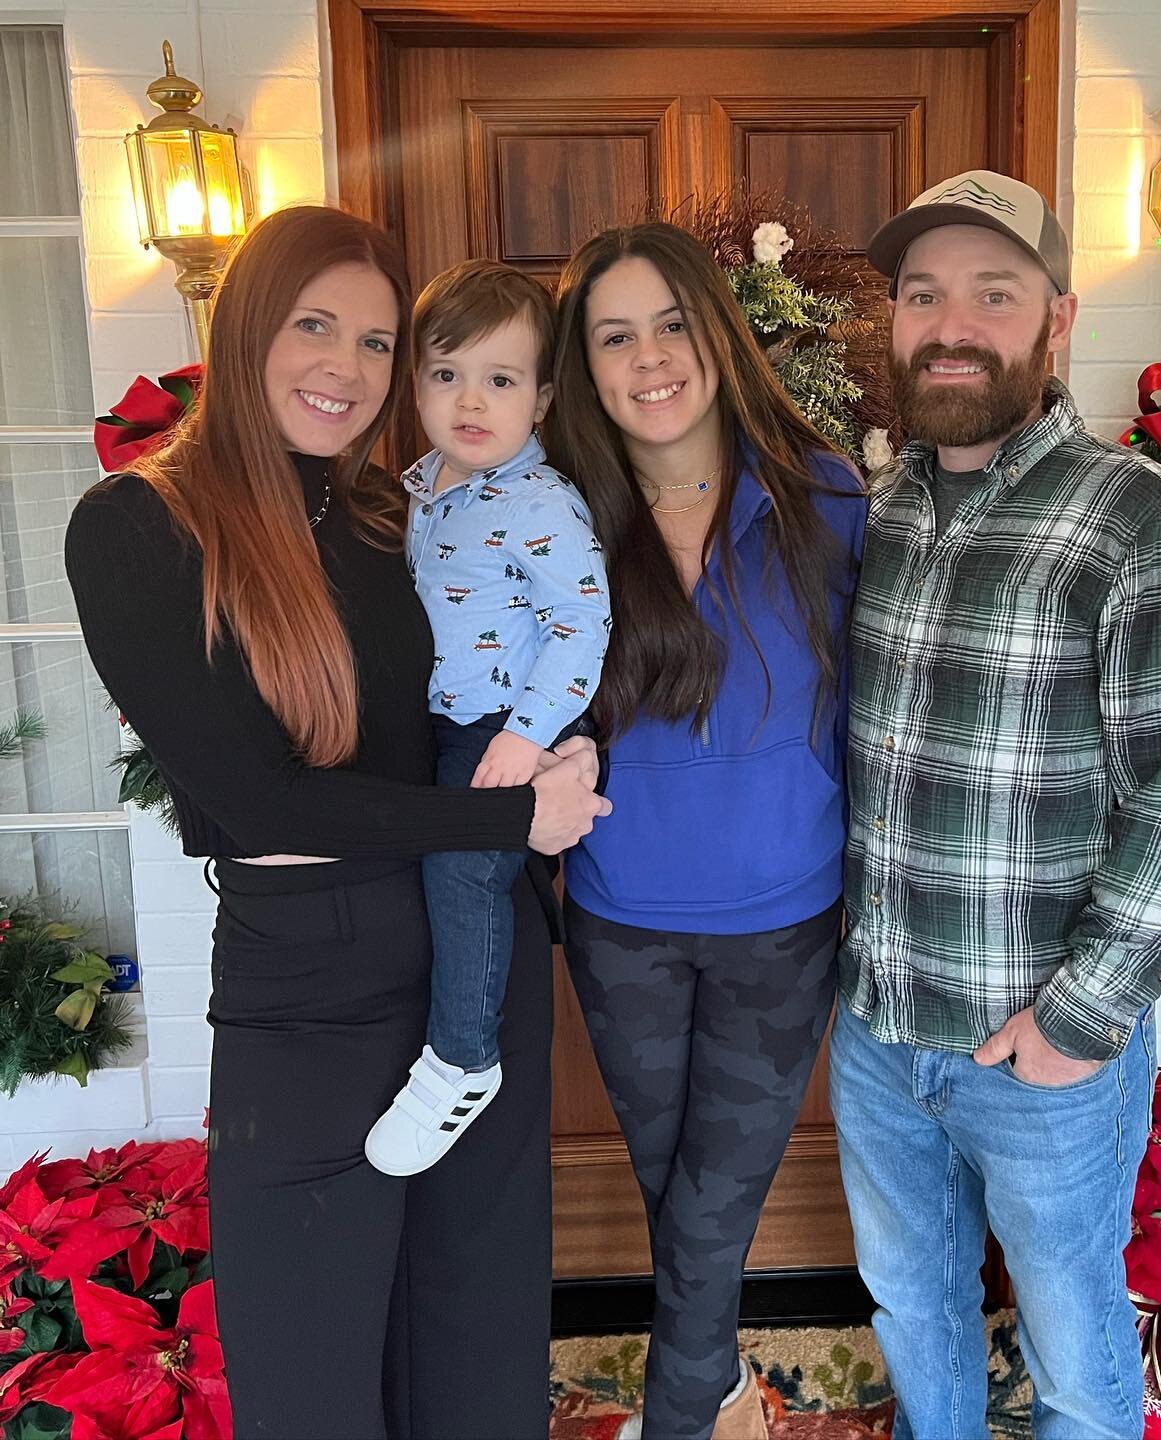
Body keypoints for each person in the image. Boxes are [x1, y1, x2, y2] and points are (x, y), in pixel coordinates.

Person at [64, 205, 608, 1440]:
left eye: (375, 344)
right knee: (307, 1365)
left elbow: (496, 677)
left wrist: (540, 773)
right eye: (316, 326)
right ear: (248, 322)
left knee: (477, 1332)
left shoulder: (385, 521)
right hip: (306, 971)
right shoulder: (140, 527)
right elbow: (256, 798)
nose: (347, 369)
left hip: (472, 950)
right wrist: (512, 819)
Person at [830, 170, 1161, 1440]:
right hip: (881, 1029)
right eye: (923, 294)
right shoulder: (880, 508)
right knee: (915, 1311)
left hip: (1041, 1048)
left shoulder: (1149, 523)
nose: (951, 324)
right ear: (894, 322)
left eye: (992, 294)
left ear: (1057, 324)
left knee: (1072, 1347)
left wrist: (1078, 1023)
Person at [546, 221, 866, 1440]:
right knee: (674, 1188)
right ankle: (725, 1384)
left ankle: (681, 1417)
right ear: (586, 364)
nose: (651, 357)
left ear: (719, 335)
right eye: (615, 335)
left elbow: (881, 698)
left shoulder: (823, 495)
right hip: (622, 921)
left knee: (714, 1203)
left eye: (672, 323)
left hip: (783, 925)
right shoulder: (555, 518)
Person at [366, 259, 609, 1176]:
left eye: (500, 380)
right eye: (445, 374)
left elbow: (583, 625)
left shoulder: (541, 503)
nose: (471, 400)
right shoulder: (418, 483)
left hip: (499, 726)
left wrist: (524, 738)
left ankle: (464, 1059)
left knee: (466, 874)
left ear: (541, 398)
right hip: (424, 722)